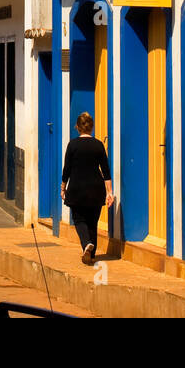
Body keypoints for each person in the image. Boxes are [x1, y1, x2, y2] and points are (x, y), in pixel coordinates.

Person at [61, 112, 113, 265]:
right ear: (92, 127)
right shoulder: (98, 145)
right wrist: (109, 192)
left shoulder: (73, 144)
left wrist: (63, 187)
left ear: (77, 127)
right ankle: (91, 254)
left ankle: (86, 245)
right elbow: (106, 170)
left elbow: (67, 169)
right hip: (96, 189)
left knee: (79, 219)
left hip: (77, 188)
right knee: (92, 222)